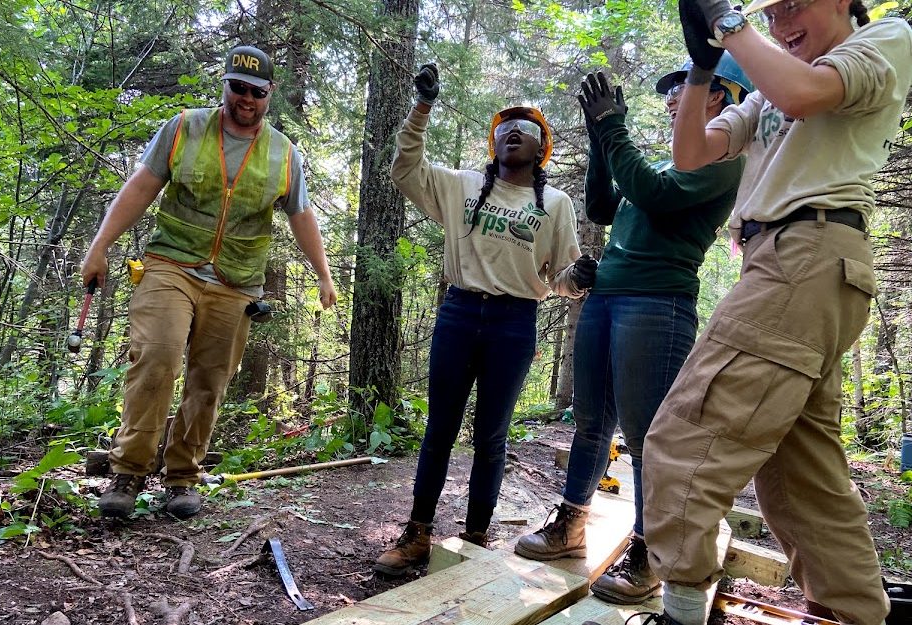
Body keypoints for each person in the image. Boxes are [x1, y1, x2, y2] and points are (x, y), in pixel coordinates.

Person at [638, 0, 912, 622]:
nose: (782, 19)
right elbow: (690, 154)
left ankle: (680, 612)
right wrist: (704, 70)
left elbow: (802, 94)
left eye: (795, 2)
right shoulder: (776, 80)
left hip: (806, 255)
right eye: (773, 8)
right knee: (801, 477)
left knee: (686, 440)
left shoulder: (884, 41)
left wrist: (731, 26)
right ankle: (855, 613)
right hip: (791, 267)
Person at [514, 55, 752, 607]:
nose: (673, 100)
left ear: (721, 96)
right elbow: (603, 204)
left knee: (649, 441)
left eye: (684, 90)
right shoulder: (674, 164)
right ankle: (570, 526)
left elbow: (651, 194)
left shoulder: (725, 161)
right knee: (592, 423)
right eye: (672, 92)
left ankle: (648, 554)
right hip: (607, 299)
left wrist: (613, 128)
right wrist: (601, 139)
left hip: (657, 304)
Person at [81, 44, 337, 520]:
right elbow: (139, 186)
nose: (245, 99)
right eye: (237, 87)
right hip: (171, 264)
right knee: (157, 356)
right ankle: (129, 471)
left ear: (269, 93)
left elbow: (301, 214)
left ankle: (181, 476)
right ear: (224, 85)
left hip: (237, 281)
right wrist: (99, 246)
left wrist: (323, 274)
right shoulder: (184, 128)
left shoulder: (284, 153)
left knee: (210, 380)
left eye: (256, 92)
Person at [373, 63, 594, 576]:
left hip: (514, 323)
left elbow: (559, 279)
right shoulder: (462, 186)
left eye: (527, 129)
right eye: (504, 128)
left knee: (491, 435)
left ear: (542, 149)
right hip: (459, 313)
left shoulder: (555, 204)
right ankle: (418, 533)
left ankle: (474, 536)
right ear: (493, 142)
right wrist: (421, 108)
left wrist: (579, 276)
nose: (513, 132)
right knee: (440, 428)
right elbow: (404, 171)